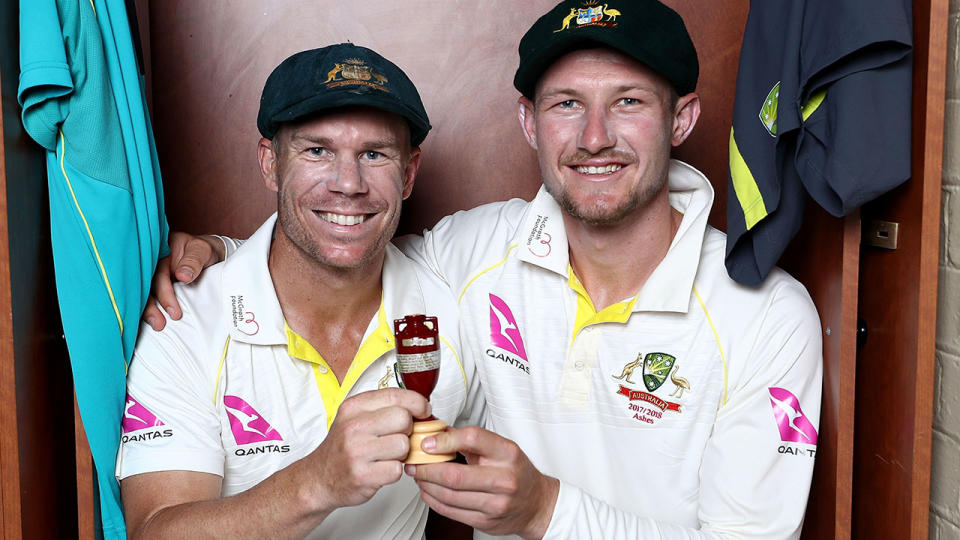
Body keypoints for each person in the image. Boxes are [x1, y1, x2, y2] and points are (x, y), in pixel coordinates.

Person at [147, 1, 823, 538]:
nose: (593, 137)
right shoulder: (474, 259)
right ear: (529, 122)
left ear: (682, 120)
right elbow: (337, 250)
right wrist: (217, 257)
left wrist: (545, 512)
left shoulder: (766, 315)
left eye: (629, 102)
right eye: (566, 104)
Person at [116, 43, 482, 539]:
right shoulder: (183, 318)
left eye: (374, 154)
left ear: (409, 173)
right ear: (270, 163)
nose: (348, 184)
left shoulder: (454, 298)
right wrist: (317, 482)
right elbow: (155, 531)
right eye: (317, 151)